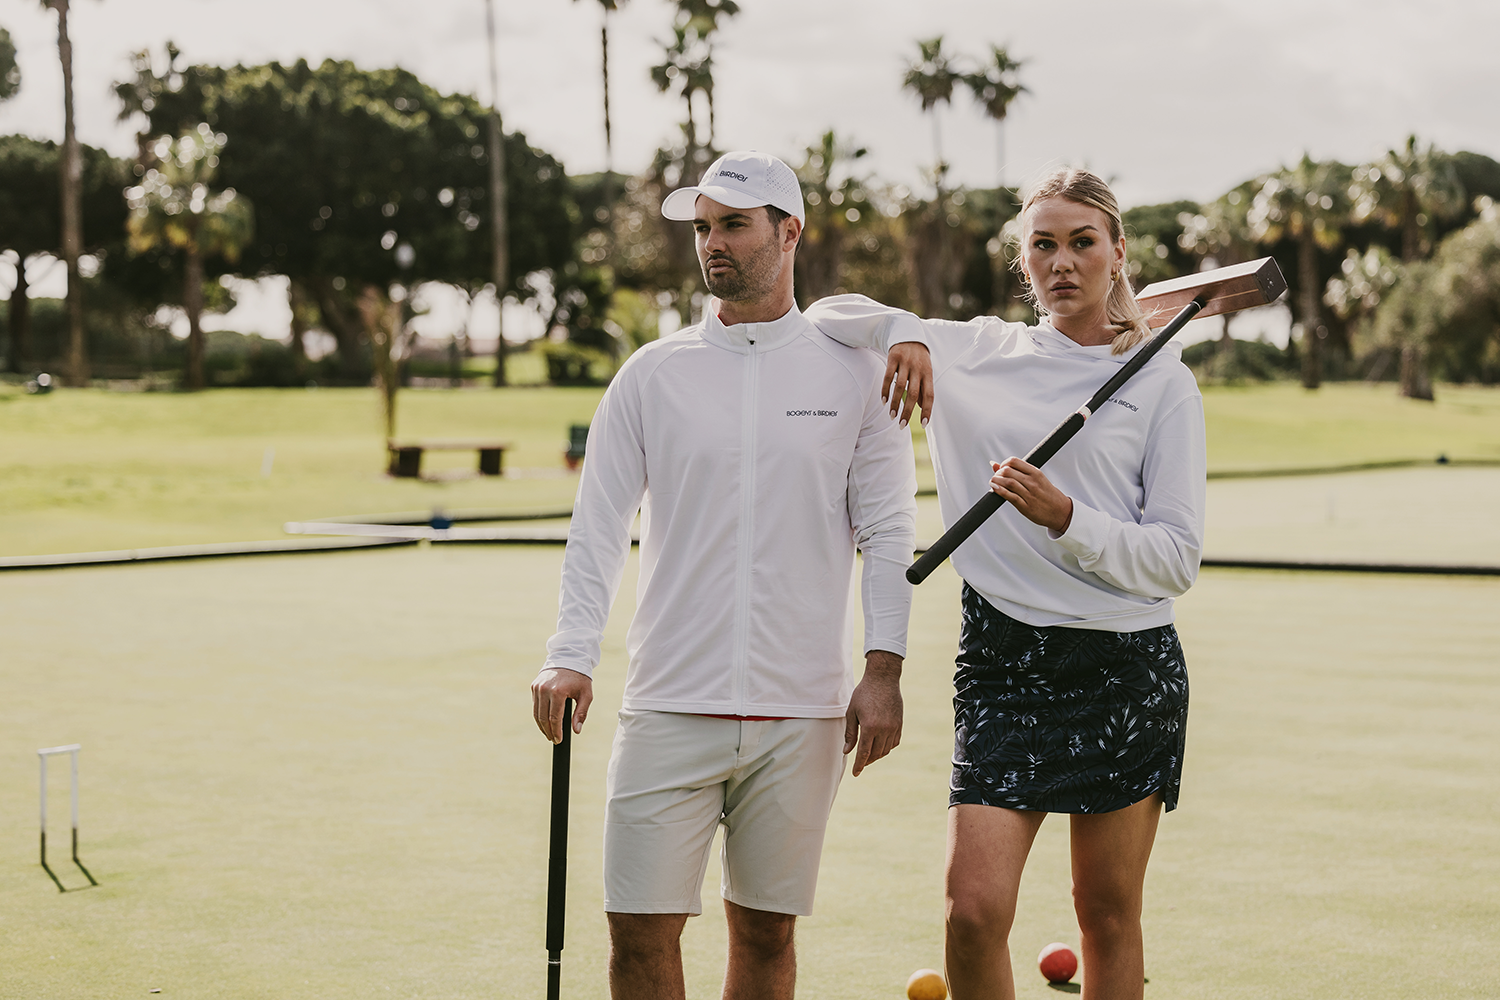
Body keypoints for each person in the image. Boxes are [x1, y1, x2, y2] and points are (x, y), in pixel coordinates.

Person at [806, 166, 1204, 1000]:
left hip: (1125, 665)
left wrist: (1067, 517)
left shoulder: (1162, 379)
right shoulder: (978, 350)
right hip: (1005, 658)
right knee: (972, 913)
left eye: (1082, 243)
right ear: (1024, 264)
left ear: (1117, 253)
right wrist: (909, 331)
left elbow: (1175, 557)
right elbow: (827, 313)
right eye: (1043, 246)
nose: (1063, 262)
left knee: (1106, 915)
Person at [530, 150, 918, 1000]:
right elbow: (598, 524)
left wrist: (882, 668)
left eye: (733, 225)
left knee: (767, 938)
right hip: (669, 699)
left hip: (800, 708)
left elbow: (889, 529)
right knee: (636, 934)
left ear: (790, 232)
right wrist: (571, 653)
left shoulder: (854, 371)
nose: (713, 243)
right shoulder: (652, 374)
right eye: (703, 227)